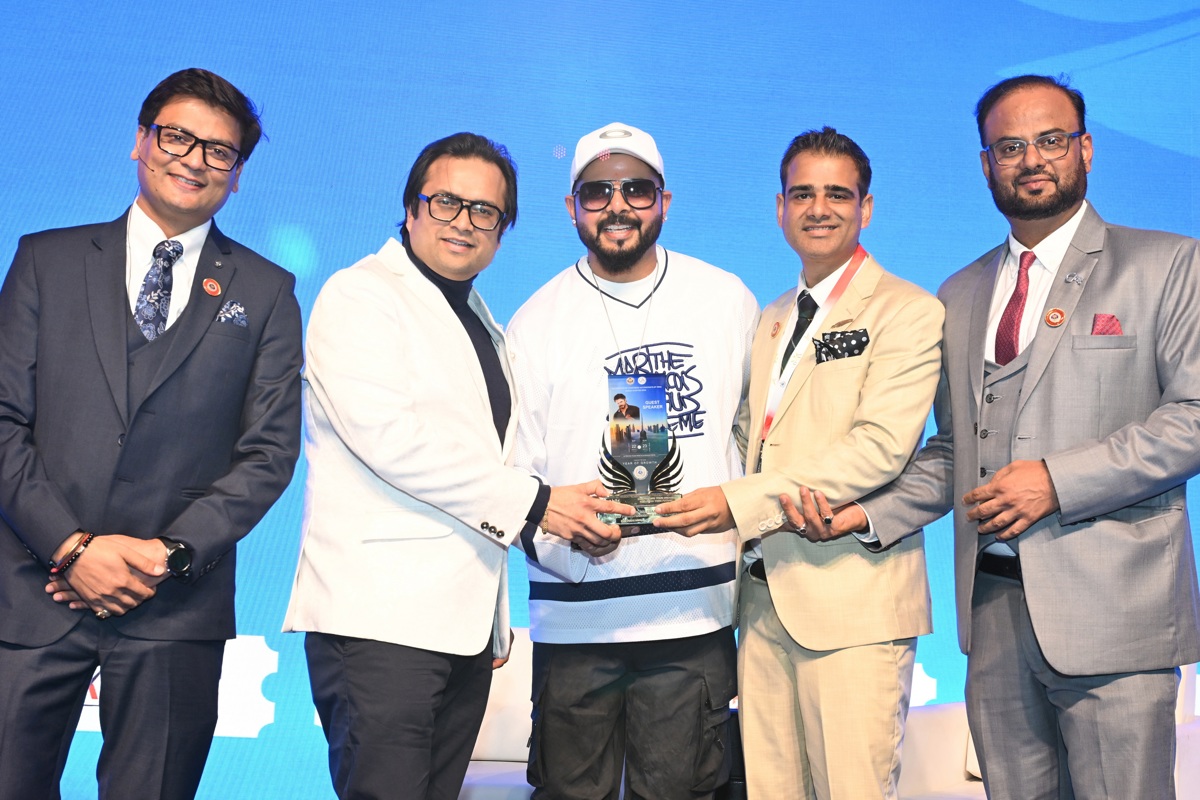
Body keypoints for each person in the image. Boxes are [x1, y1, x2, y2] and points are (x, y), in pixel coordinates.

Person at [796, 75, 1200, 799]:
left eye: (1051, 141)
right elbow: (956, 451)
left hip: (1116, 615)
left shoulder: (1167, 264)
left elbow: (1192, 418)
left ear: (1086, 149)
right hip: (993, 617)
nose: (1031, 159)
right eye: (1009, 147)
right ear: (986, 164)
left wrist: (1057, 481)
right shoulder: (961, 292)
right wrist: (865, 514)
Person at [283, 132, 632, 800]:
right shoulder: (360, 294)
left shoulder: (478, 318)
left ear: (502, 231)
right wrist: (542, 503)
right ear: (411, 207)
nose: (464, 222)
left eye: (485, 211)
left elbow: (489, 462)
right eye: (446, 202)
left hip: (459, 630)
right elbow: (392, 440)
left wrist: (567, 529)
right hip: (380, 624)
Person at [0, 68, 303, 799]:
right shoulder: (46, 259)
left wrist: (164, 556)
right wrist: (72, 548)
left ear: (237, 174)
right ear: (140, 141)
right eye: (176, 137)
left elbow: (268, 454)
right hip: (34, 590)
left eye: (220, 151)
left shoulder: (266, 291)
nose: (195, 159)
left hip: (174, 605)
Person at [656, 127, 944, 799]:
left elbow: (880, 446)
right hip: (762, 600)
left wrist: (738, 503)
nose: (819, 208)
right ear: (780, 208)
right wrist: (649, 470)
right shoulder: (773, 317)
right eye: (802, 194)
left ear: (866, 207)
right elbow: (743, 435)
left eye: (837, 194)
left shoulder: (906, 310)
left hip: (853, 602)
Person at [507, 122, 758, 800]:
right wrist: (564, 533)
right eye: (597, 191)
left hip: (693, 610)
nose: (617, 205)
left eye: (636, 189)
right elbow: (515, 471)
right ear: (572, 207)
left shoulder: (726, 299)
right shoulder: (533, 322)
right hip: (575, 615)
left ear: (664, 201)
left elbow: (756, 436)